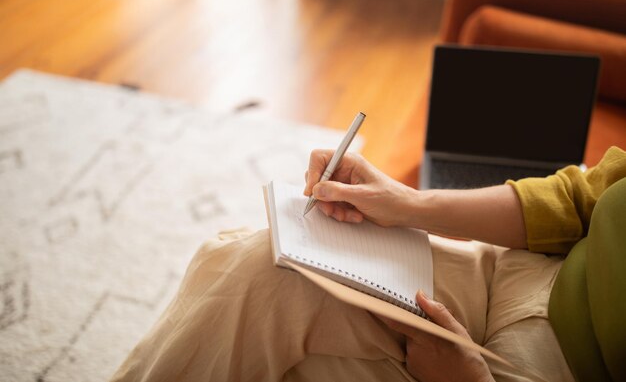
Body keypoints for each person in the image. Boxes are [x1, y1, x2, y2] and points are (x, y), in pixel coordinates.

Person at [110, 147, 626, 382]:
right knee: (255, 270)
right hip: (529, 267)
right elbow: (582, 195)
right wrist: (407, 203)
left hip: (551, 367)